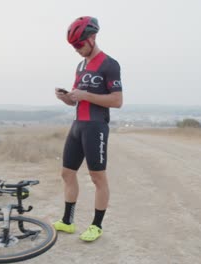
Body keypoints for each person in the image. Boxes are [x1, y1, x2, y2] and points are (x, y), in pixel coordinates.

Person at [54, 16, 123, 242]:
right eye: (73, 46)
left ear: (92, 38)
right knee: (67, 173)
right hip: (78, 126)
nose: (76, 49)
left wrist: (86, 95)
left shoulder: (110, 64)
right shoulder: (80, 66)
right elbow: (76, 101)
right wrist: (66, 97)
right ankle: (67, 222)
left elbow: (117, 100)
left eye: (79, 44)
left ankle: (97, 226)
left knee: (97, 178)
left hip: (96, 127)